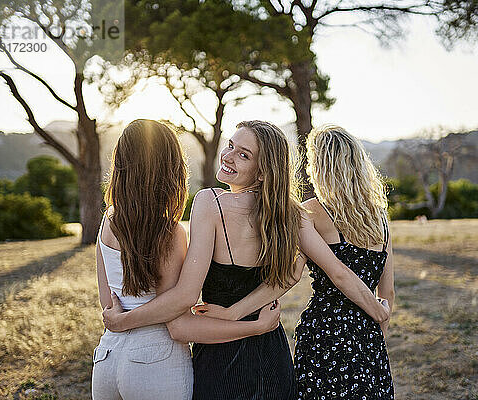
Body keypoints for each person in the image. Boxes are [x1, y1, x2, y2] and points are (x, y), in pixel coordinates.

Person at [103, 121, 390, 399]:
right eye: (230, 146)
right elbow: (306, 272)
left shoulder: (210, 202)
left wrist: (125, 320)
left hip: (220, 354)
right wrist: (376, 310)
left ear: (263, 172)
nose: (228, 156)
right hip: (271, 354)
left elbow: (186, 296)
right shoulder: (293, 213)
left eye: (244, 155)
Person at [200, 124, 395, 399]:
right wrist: (377, 325)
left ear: (319, 167)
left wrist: (234, 312)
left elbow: (293, 277)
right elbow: (388, 293)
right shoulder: (381, 219)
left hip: (325, 334)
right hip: (368, 333)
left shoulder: (313, 212)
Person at [93, 119, 279, 400]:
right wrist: (256, 326)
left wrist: (119, 323)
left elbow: (109, 302)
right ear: (172, 168)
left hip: (107, 358)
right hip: (155, 359)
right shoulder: (170, 232)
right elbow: (181, 308)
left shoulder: (108, 220)